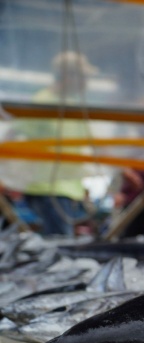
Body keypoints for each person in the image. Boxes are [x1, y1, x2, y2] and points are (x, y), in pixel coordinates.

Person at [6, 51, 97, 236]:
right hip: (48, 189)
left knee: (61, 246)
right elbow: (13, 134)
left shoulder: (72, 105)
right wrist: (8, 176)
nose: (86, 82)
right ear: (68, 75)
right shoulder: (43, 101)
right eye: (84, 77)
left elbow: (90, 144)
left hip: (68, 190)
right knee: (57, 249)